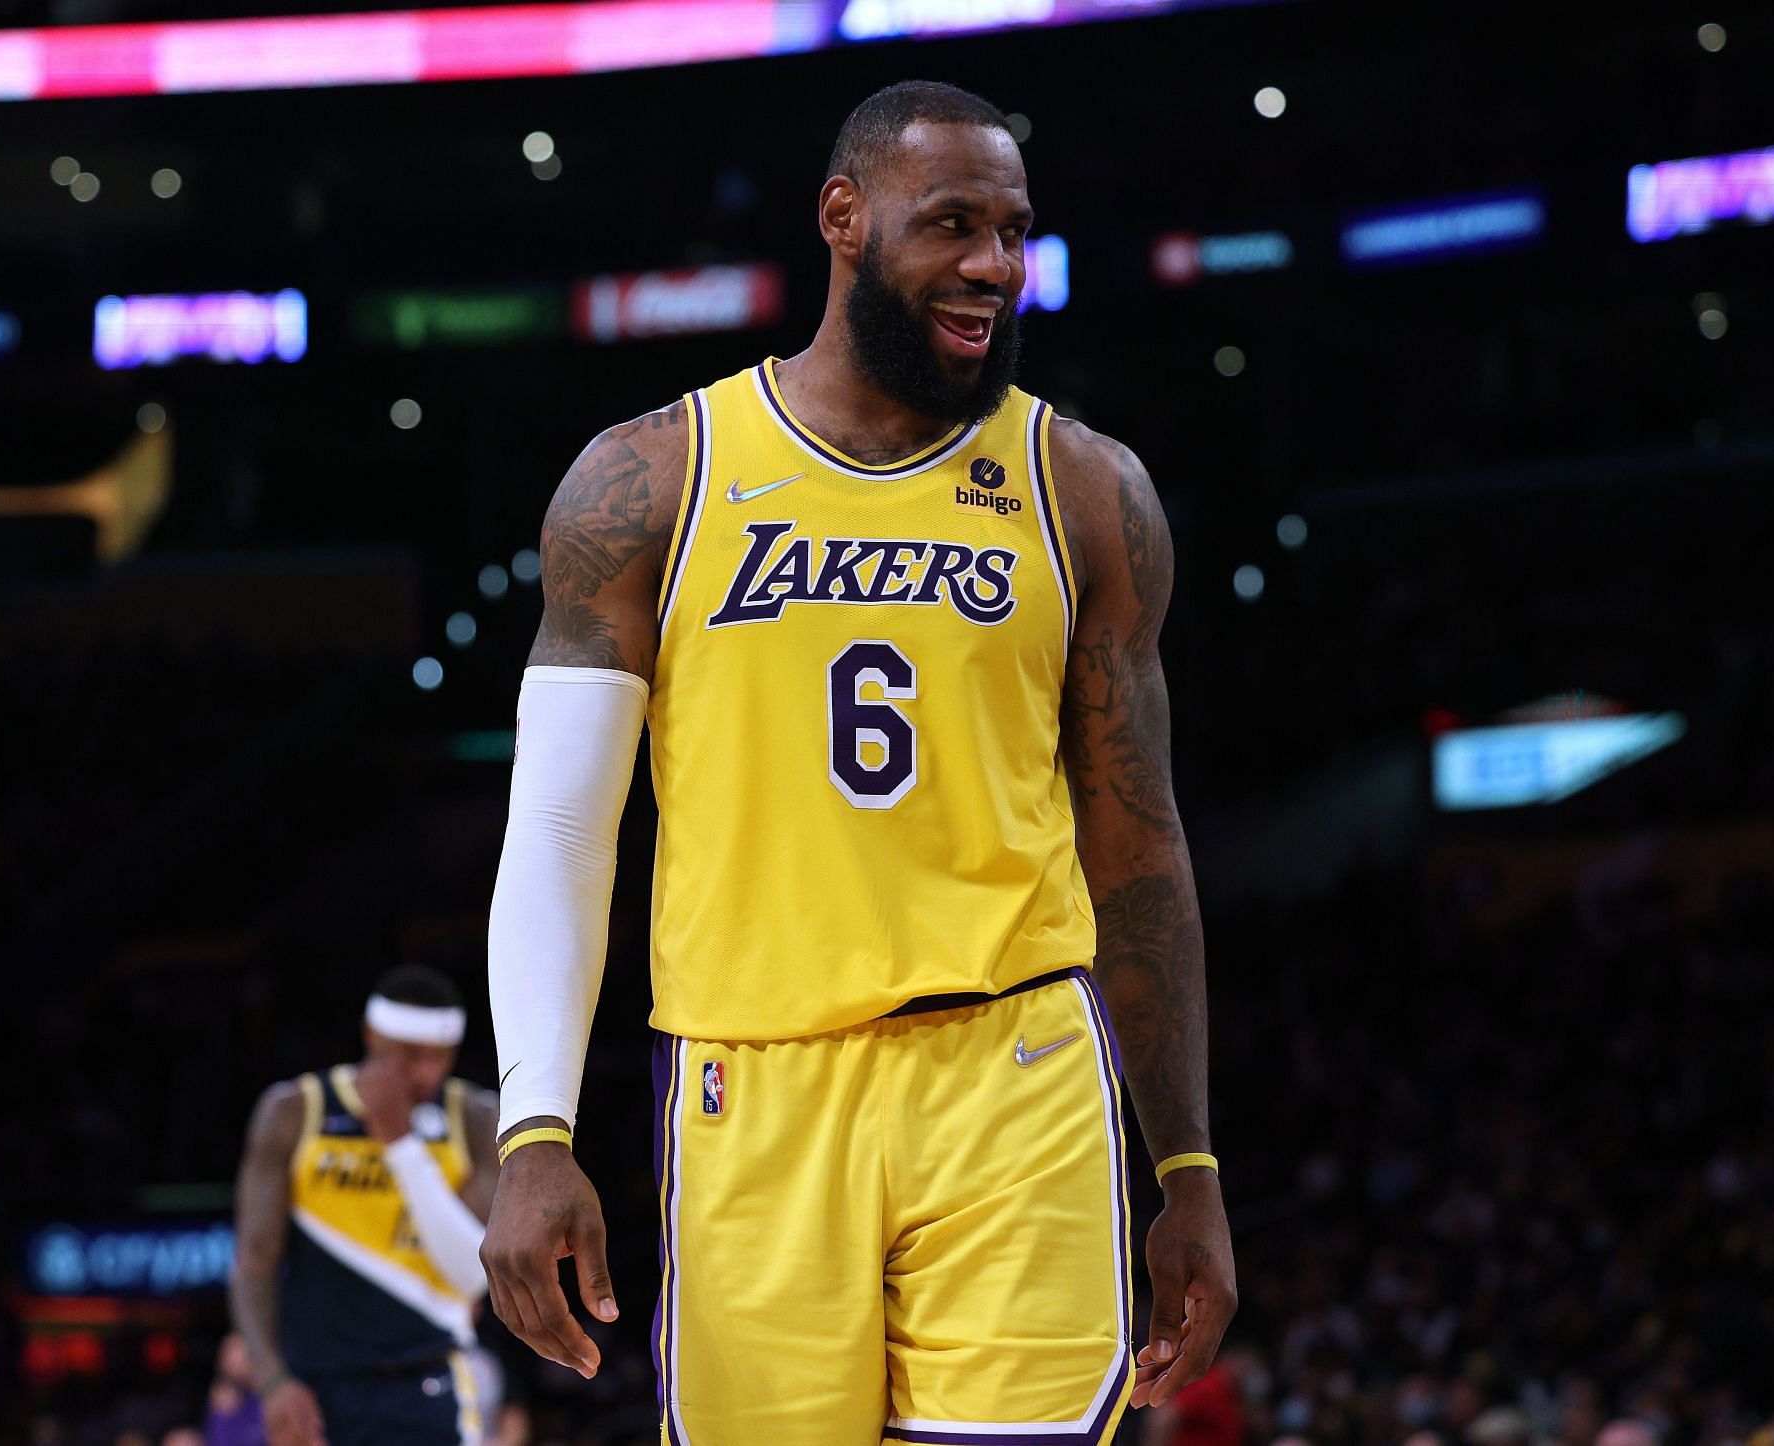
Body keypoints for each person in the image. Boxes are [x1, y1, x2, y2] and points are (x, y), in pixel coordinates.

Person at [482, 80, 1238, 1444]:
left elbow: (1138, 839)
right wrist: (535, 1127)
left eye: (1013, 232)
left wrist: (1183, 1158)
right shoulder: (650, 479)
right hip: (751, 1081)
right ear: (842, 218)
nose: (992, 268)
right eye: (952, 223)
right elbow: (556, 828)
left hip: (1013, 1060)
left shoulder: (1084, 491)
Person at [230, 966, 499, 1446]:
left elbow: (473, 1275)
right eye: (411, 1056)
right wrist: (271, 1382)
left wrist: (399, 1144)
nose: (425, 1073)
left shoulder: (476, 1117)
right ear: (371, 1035)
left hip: (431, 1381)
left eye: (440, 1057)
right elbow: (254, 1262)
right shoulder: (297, 1110)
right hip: (316, 1389)